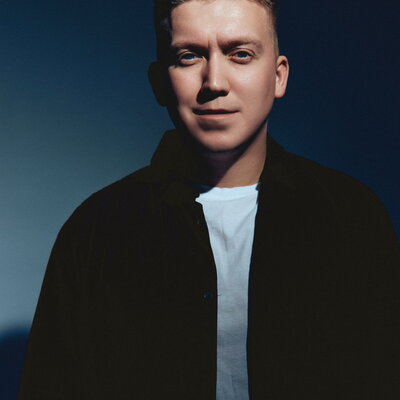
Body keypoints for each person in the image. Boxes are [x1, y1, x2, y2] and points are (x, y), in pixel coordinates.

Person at [18, 0, 399, 399]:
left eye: (240, 54)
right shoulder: (94, 233)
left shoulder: (351, 217)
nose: (215, 81)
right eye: (189, 56)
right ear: (159, 82)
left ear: (278, 76)